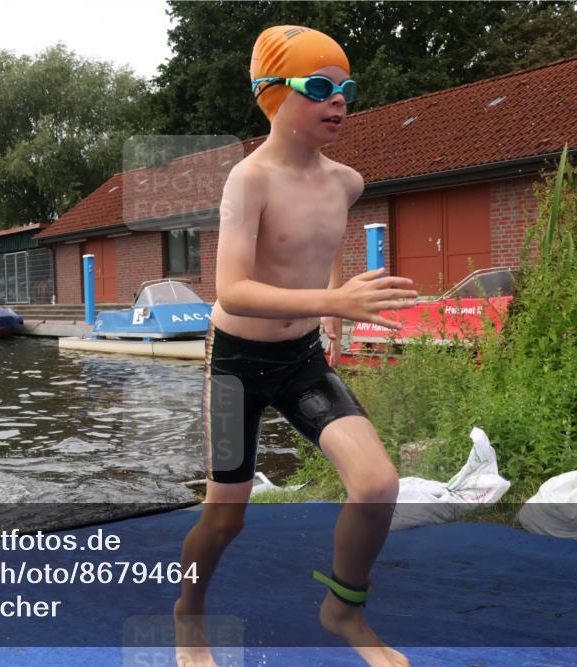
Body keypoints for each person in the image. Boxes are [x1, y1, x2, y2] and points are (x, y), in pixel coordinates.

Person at [172, 26, 419, 667]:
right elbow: (232, 290)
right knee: (225, 519)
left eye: (346, 90)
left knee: (377, 484)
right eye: (320, 88)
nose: (338, 102)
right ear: (272, 95)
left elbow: (319, 245)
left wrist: (330, 301)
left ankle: (343, 608)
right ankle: (188, 615)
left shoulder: (347, 183)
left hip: (302, 360)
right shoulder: (248, 180)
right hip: (234, 366)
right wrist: (335, 301)